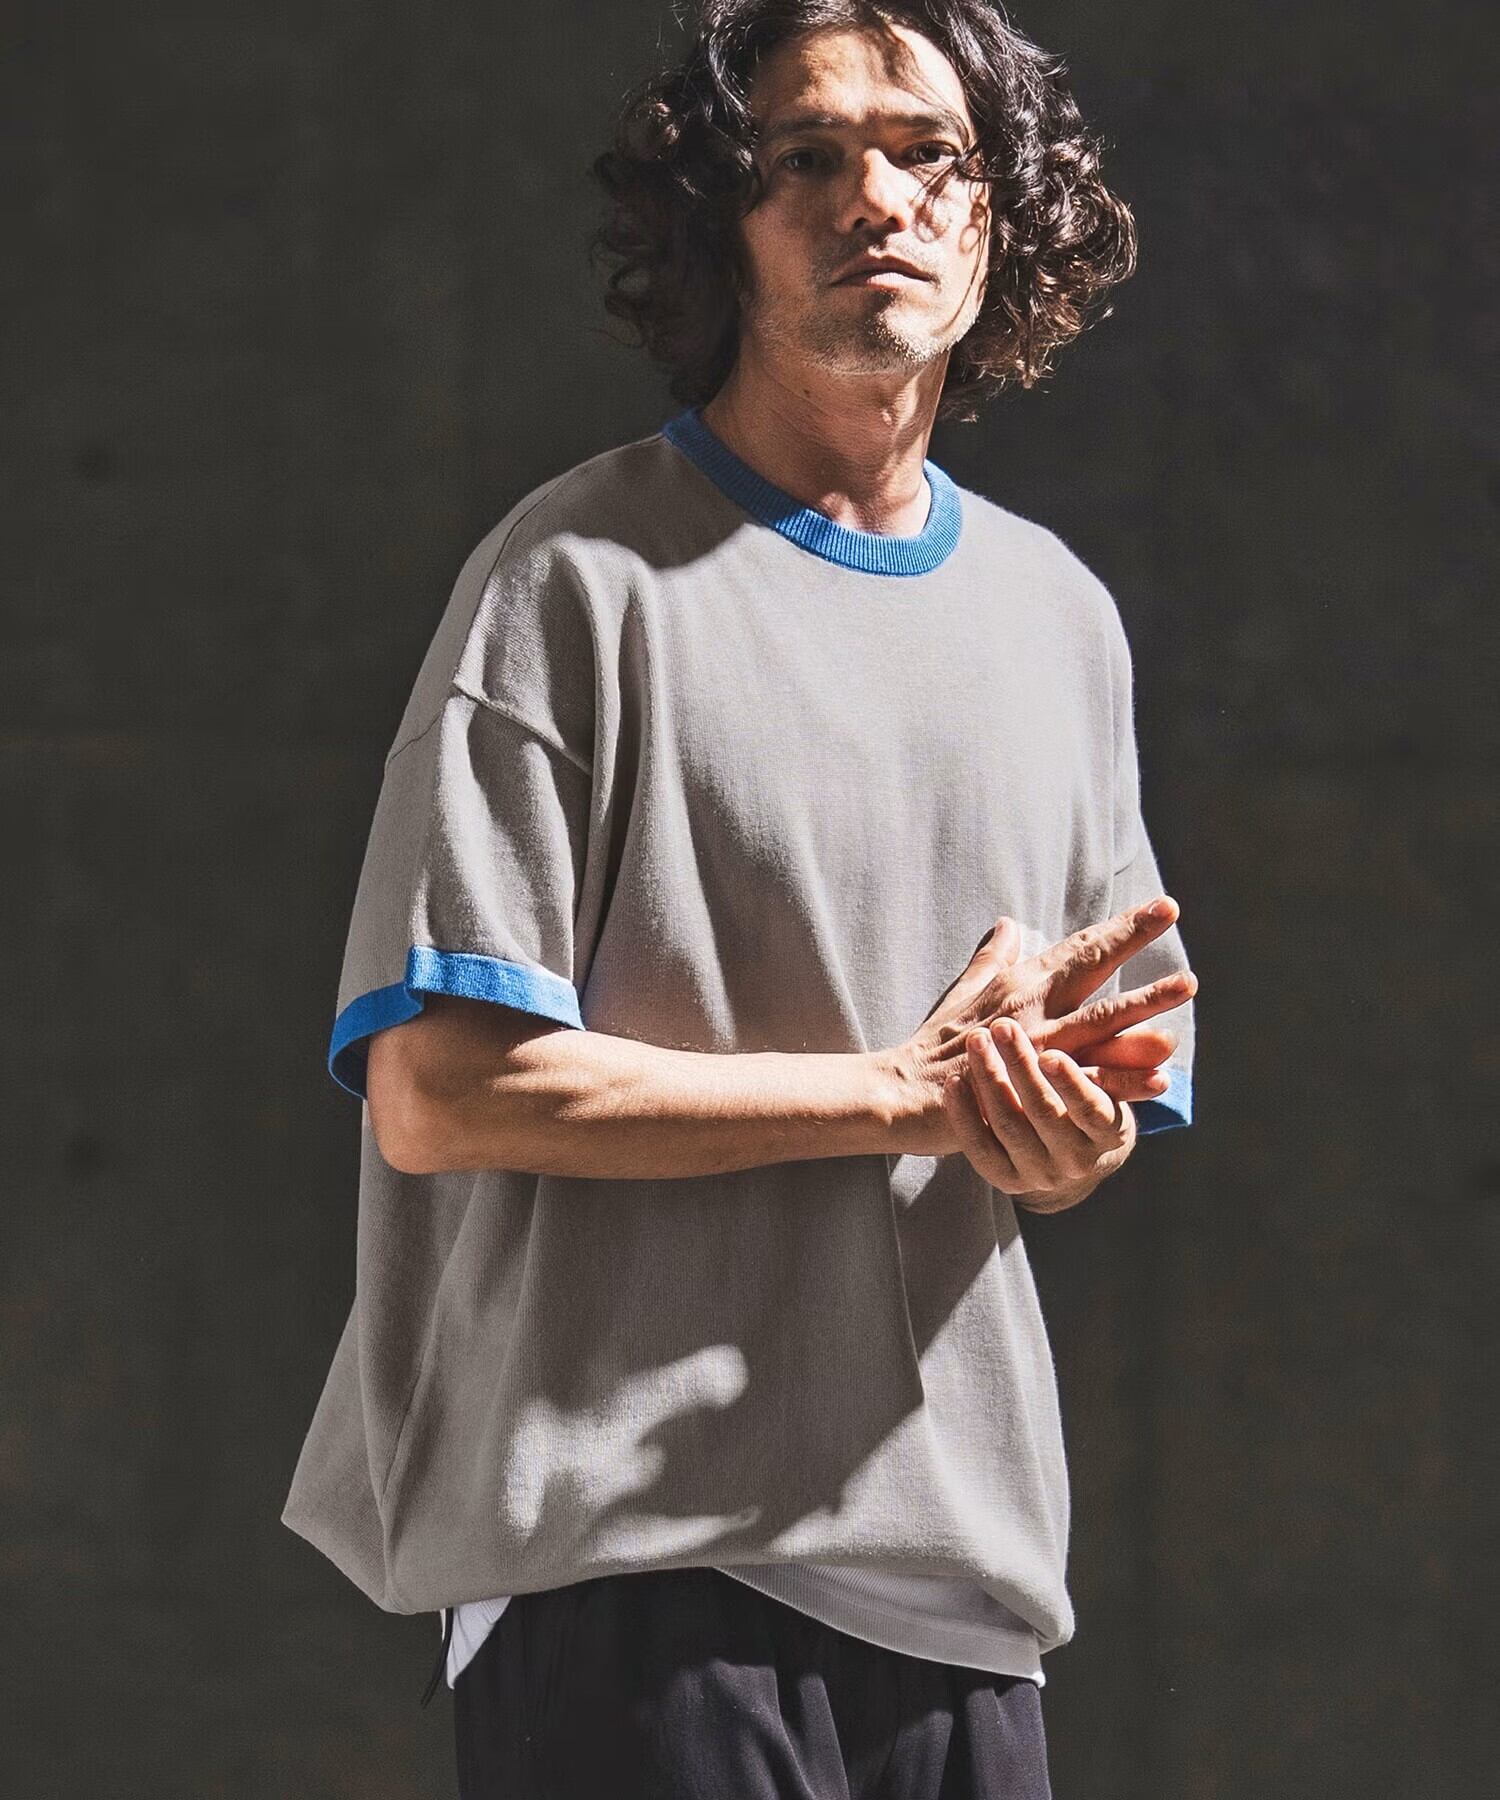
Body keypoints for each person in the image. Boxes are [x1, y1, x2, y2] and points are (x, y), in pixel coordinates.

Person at [280, 1, 1200, 1793]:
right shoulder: (573, 581)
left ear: (999, 213)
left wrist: (1050, 1126)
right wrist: (900, 1093)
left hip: (962, 1587)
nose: (878, 198)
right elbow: (440, 1090)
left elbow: (1083, 1119)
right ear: (727, 220)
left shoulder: (1060, 620)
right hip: (625, 1565)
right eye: (808, 157)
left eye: (929, 153)